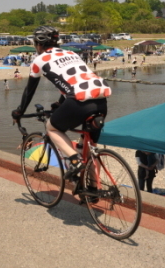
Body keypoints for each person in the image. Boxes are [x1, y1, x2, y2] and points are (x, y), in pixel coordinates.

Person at [11, 26, 111, 181]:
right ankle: (92, 188)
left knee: (51, 127)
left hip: (79, 101)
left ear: (38, 44)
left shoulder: (39, 60)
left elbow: (29, 91)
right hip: (101, 100)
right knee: (89, 148)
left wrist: (19, 112)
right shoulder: (71, 53)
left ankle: (74, 160)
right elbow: (76, 80)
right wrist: (59, 103)